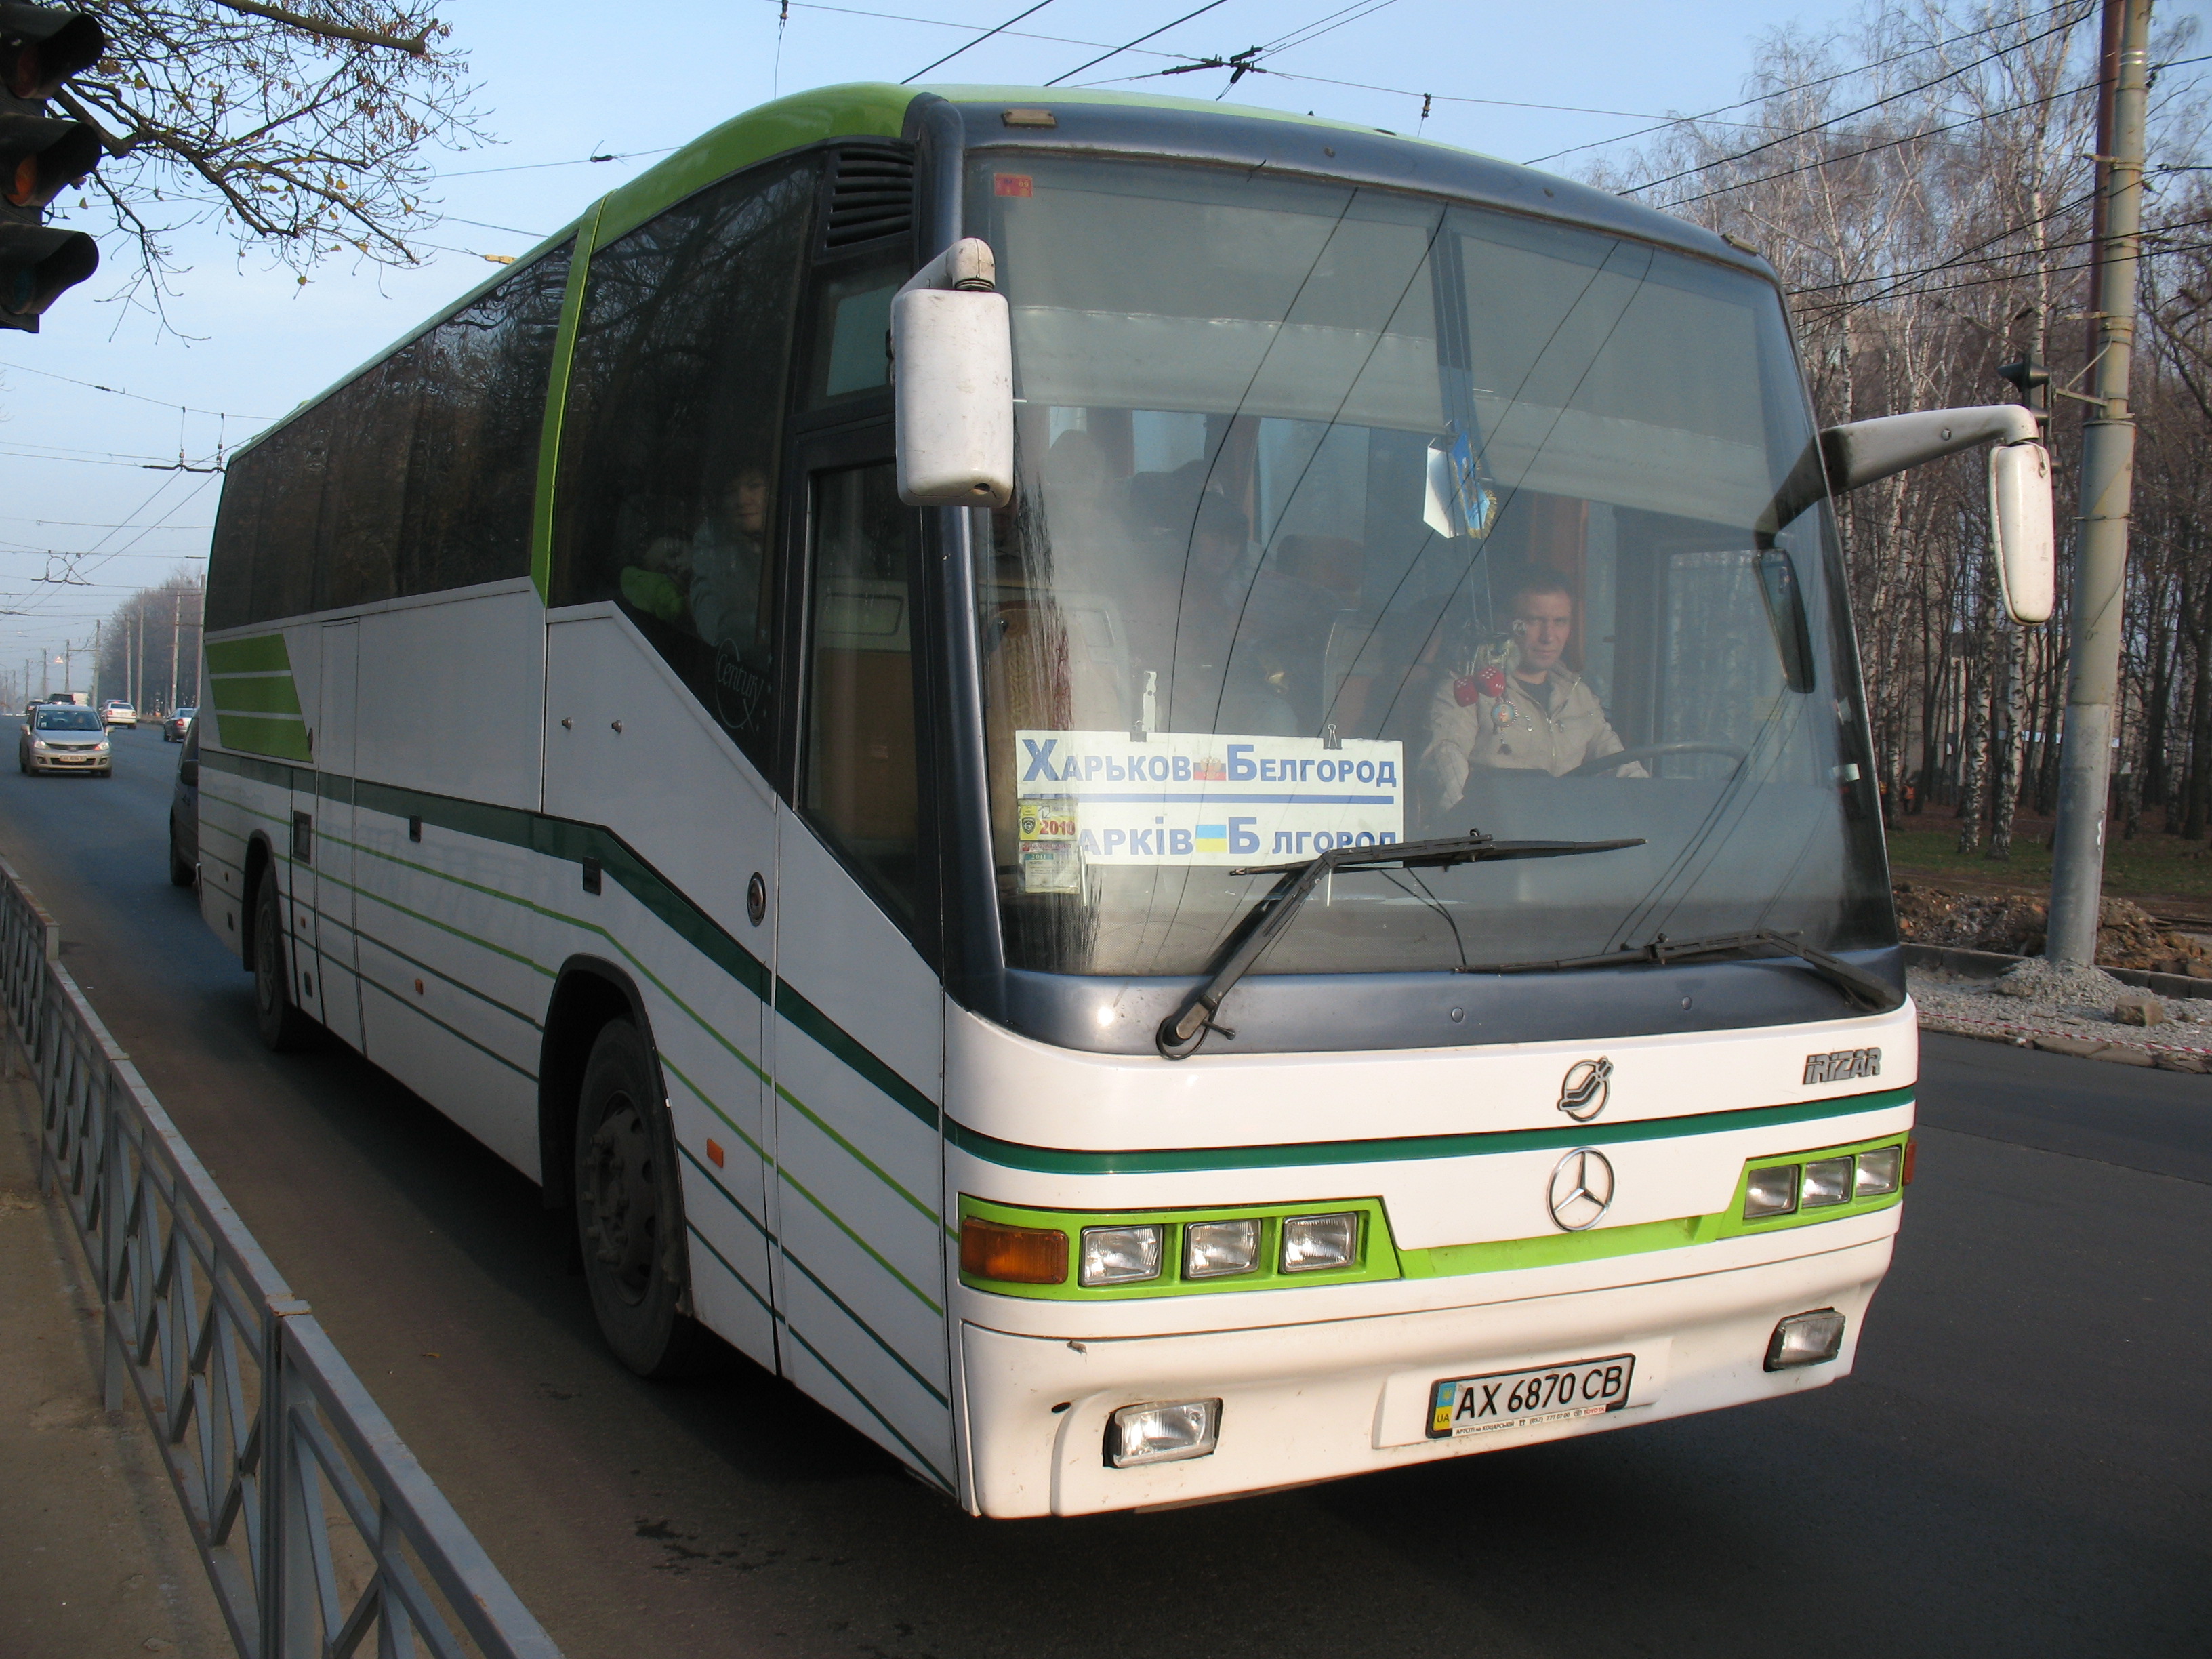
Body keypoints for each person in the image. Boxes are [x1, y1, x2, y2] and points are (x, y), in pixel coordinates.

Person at [1422, 567, 1639, 807]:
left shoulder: (1578, 694)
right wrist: (1470, 826)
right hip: (1499, 835)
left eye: (1560, 622)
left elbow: (1619, 764)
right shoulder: (1467, 689)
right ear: (1504, 623)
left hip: (1569, 831)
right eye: (1534, 621)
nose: (1549, 636)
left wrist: (1651, 805)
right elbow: (1443, 757)